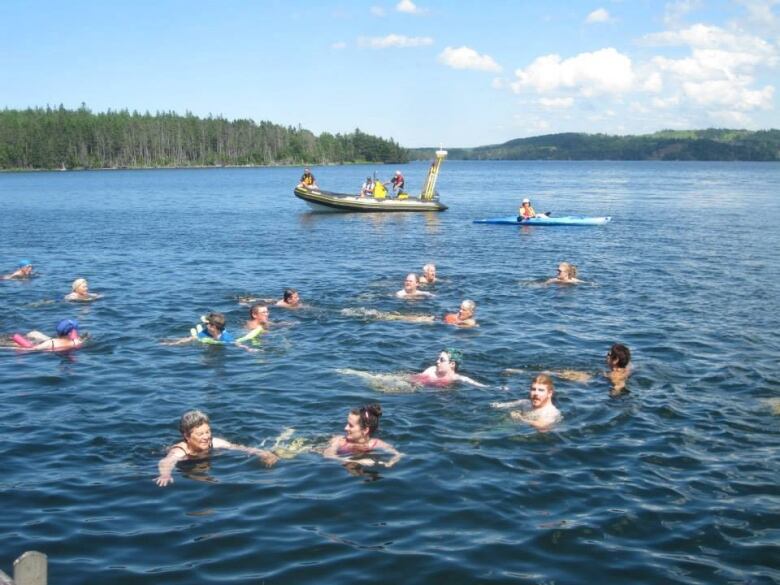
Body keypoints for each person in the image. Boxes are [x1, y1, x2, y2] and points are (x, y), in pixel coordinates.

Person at [155, 410, 278, 487]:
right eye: (200, 434)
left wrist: (262, 453)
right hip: (186, 469)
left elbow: (237, 447)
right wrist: (165, 474)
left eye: (208, 432)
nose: (206, 437)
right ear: (187, 436)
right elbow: (167, 461)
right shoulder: (180, 450)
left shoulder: (214, 442)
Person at [323, 404, 402, 467]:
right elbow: (328, 455)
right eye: (347, 424)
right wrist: (359, 461)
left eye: (351, 425)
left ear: (365, 430)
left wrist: (389, 463)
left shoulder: (376, 443)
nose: (345, 428)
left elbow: (399, 454)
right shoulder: (339, 441)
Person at [491, 374, 561, 430]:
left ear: (549, 393)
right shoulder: (525, 403)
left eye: (541, 390)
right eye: (533, 389)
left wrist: (520, 418)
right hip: (511, 427)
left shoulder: (551, 412)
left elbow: (542, 426)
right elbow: (499, 406)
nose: (536, 393)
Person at [410, 349, 486, 388]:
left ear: (452, 364)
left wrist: (495, 389)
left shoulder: (457, 378)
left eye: (441, 360)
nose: (437, 361)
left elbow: (479, 386)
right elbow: (415, 379)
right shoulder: (432, 369)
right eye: (438, 359)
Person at [9, 318, 84, 351]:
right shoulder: (76, 342)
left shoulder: (50, 343)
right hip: (50, 342)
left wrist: (17, 348)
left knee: (31, 338)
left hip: (49, 344)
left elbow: (33, 349)